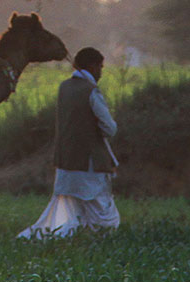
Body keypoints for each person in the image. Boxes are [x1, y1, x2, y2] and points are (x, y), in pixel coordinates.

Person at [19, 47, 120, 239]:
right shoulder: (92, 91)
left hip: (66, 162)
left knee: (73, 211)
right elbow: (110, 128)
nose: (101, 72)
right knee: (103, 214)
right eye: (100, 67)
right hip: (89, 163)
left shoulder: (64, 88)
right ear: (92, 66)